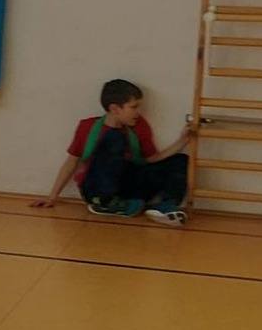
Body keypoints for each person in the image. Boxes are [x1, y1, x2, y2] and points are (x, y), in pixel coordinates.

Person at [32, 78, 191, 224]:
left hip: (127, 187)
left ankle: (166, 207)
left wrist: (182, 141)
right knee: (115, 137)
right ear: (115, 108)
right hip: (97, 189)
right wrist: (52, 197)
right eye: (134, 107)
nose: (139, 112)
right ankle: (105, 203)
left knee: (181, 160)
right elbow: (71, 162)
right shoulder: (87, 127)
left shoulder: (139, 125)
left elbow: (152, 158)